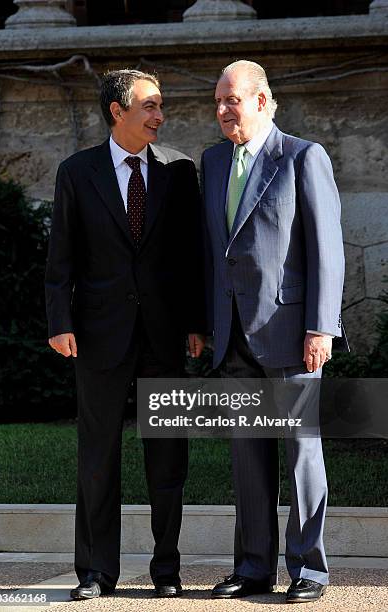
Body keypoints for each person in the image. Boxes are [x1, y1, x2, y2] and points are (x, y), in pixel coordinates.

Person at [45, 69, 205, 600]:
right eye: (150, 107)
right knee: (98, 456)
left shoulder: (180, 170)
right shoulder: (76, 171)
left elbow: (191, 256)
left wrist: (197, 323)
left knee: (167, 457)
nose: (161, 116)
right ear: (118, 111)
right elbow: (61, 256)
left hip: (164, 336)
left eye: (161, 107)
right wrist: (59, 322)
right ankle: (94, 572)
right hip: (97, 335)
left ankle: (167, 572)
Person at [201, 60, 347, 603]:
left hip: (291, 334)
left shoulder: (304, 157)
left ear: (262, 100)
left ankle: (309, 570)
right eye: (217, 102)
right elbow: (211, 250)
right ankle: (253, 567)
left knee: (302, 453)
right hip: (233, 333)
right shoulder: (213, 162)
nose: (221, 111)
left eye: (230, 101)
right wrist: (204, 323)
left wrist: (321, 327)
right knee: (247, 458)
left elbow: (326, 250)